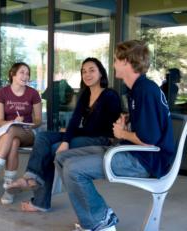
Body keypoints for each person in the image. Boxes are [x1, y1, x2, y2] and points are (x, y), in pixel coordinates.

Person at [55, 40, 175, 231]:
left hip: (146, 161)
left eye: (116, 60)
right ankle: (94, 217)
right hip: (133, 152)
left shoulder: (145, 90)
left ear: (126, 61)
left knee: (73, 169)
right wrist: (127, 123)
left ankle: (102, 222)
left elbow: (149, 140)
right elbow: (149, 127)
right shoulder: (137, 89)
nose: (113, 64)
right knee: (62, 158)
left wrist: (122, 133)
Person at [6, 57, 122, 212]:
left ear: (101, 73)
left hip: (101, 139)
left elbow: (100, 128)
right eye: (84, 71)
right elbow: (75, 120)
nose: (87, 74)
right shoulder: (85, 94)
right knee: (43, 137)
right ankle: (31, 177)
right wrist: (68, 136)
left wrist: (68, 136)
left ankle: (40, 201)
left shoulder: (110, 95)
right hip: (85, 135)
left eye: (92, 70)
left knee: (53, 148)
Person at [0, 62, 42, 205]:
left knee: (13, 131)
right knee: (14, 141)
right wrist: (12, 122)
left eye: (27, 73)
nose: (26, 76)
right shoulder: (2, 93)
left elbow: (38, 120)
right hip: (5, 132)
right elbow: (0, 121)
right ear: (13, 74)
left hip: (27, 132)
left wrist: (30, 124)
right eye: (22, 73)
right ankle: (8, 187)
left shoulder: (33, 93)